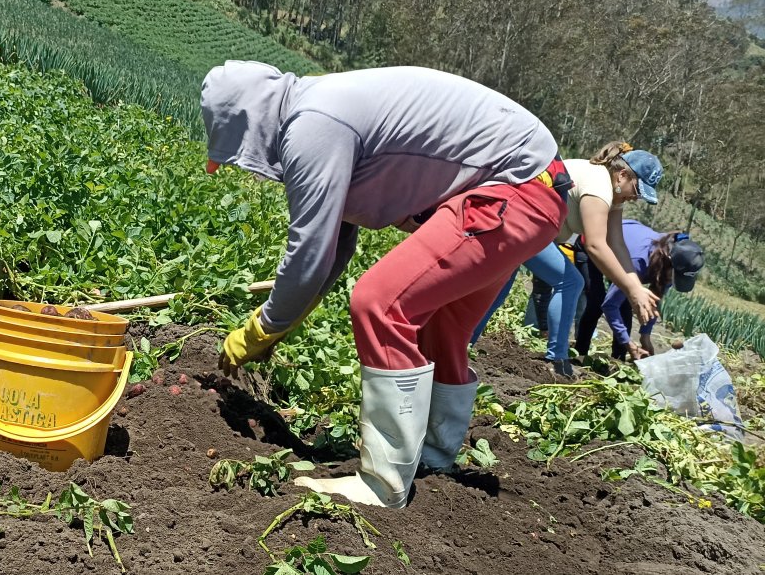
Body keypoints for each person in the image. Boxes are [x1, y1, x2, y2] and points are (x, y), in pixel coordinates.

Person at [201, 60, 571, 508]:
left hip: (511, 188)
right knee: (443, 327)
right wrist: (281, 321)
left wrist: (264, 326)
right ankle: (434, 458)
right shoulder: (318, 105)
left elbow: (310, 253)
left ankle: (383, 484)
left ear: (248, 123)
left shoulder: (313, 125)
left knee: (380, 302)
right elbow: (333, 246)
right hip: (538, 188)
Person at [468, 142, 665, 376]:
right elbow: (595, 244)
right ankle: (557, 359)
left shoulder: (612, 193)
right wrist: (632, 291)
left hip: (526, 225)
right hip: (521, 221)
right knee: (571, 282)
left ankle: (464, 342)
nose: (635, 198)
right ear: (622, 175)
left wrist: (635, 287)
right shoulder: (599, 186)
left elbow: (617, 244)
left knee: (499, 284)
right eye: (637, 190)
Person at [574, 220, 704, 360]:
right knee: (596, 302)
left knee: (625, 309)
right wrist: (628, 342)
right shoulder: (639, 261)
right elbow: (609, 305)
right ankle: (580, 354)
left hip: (621, 251)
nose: (671, 282)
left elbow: (654, 301)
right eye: (673, 277)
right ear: (668, 263)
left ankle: (617, 359)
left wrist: (645, 336)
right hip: (592, 245)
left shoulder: (671, 267)